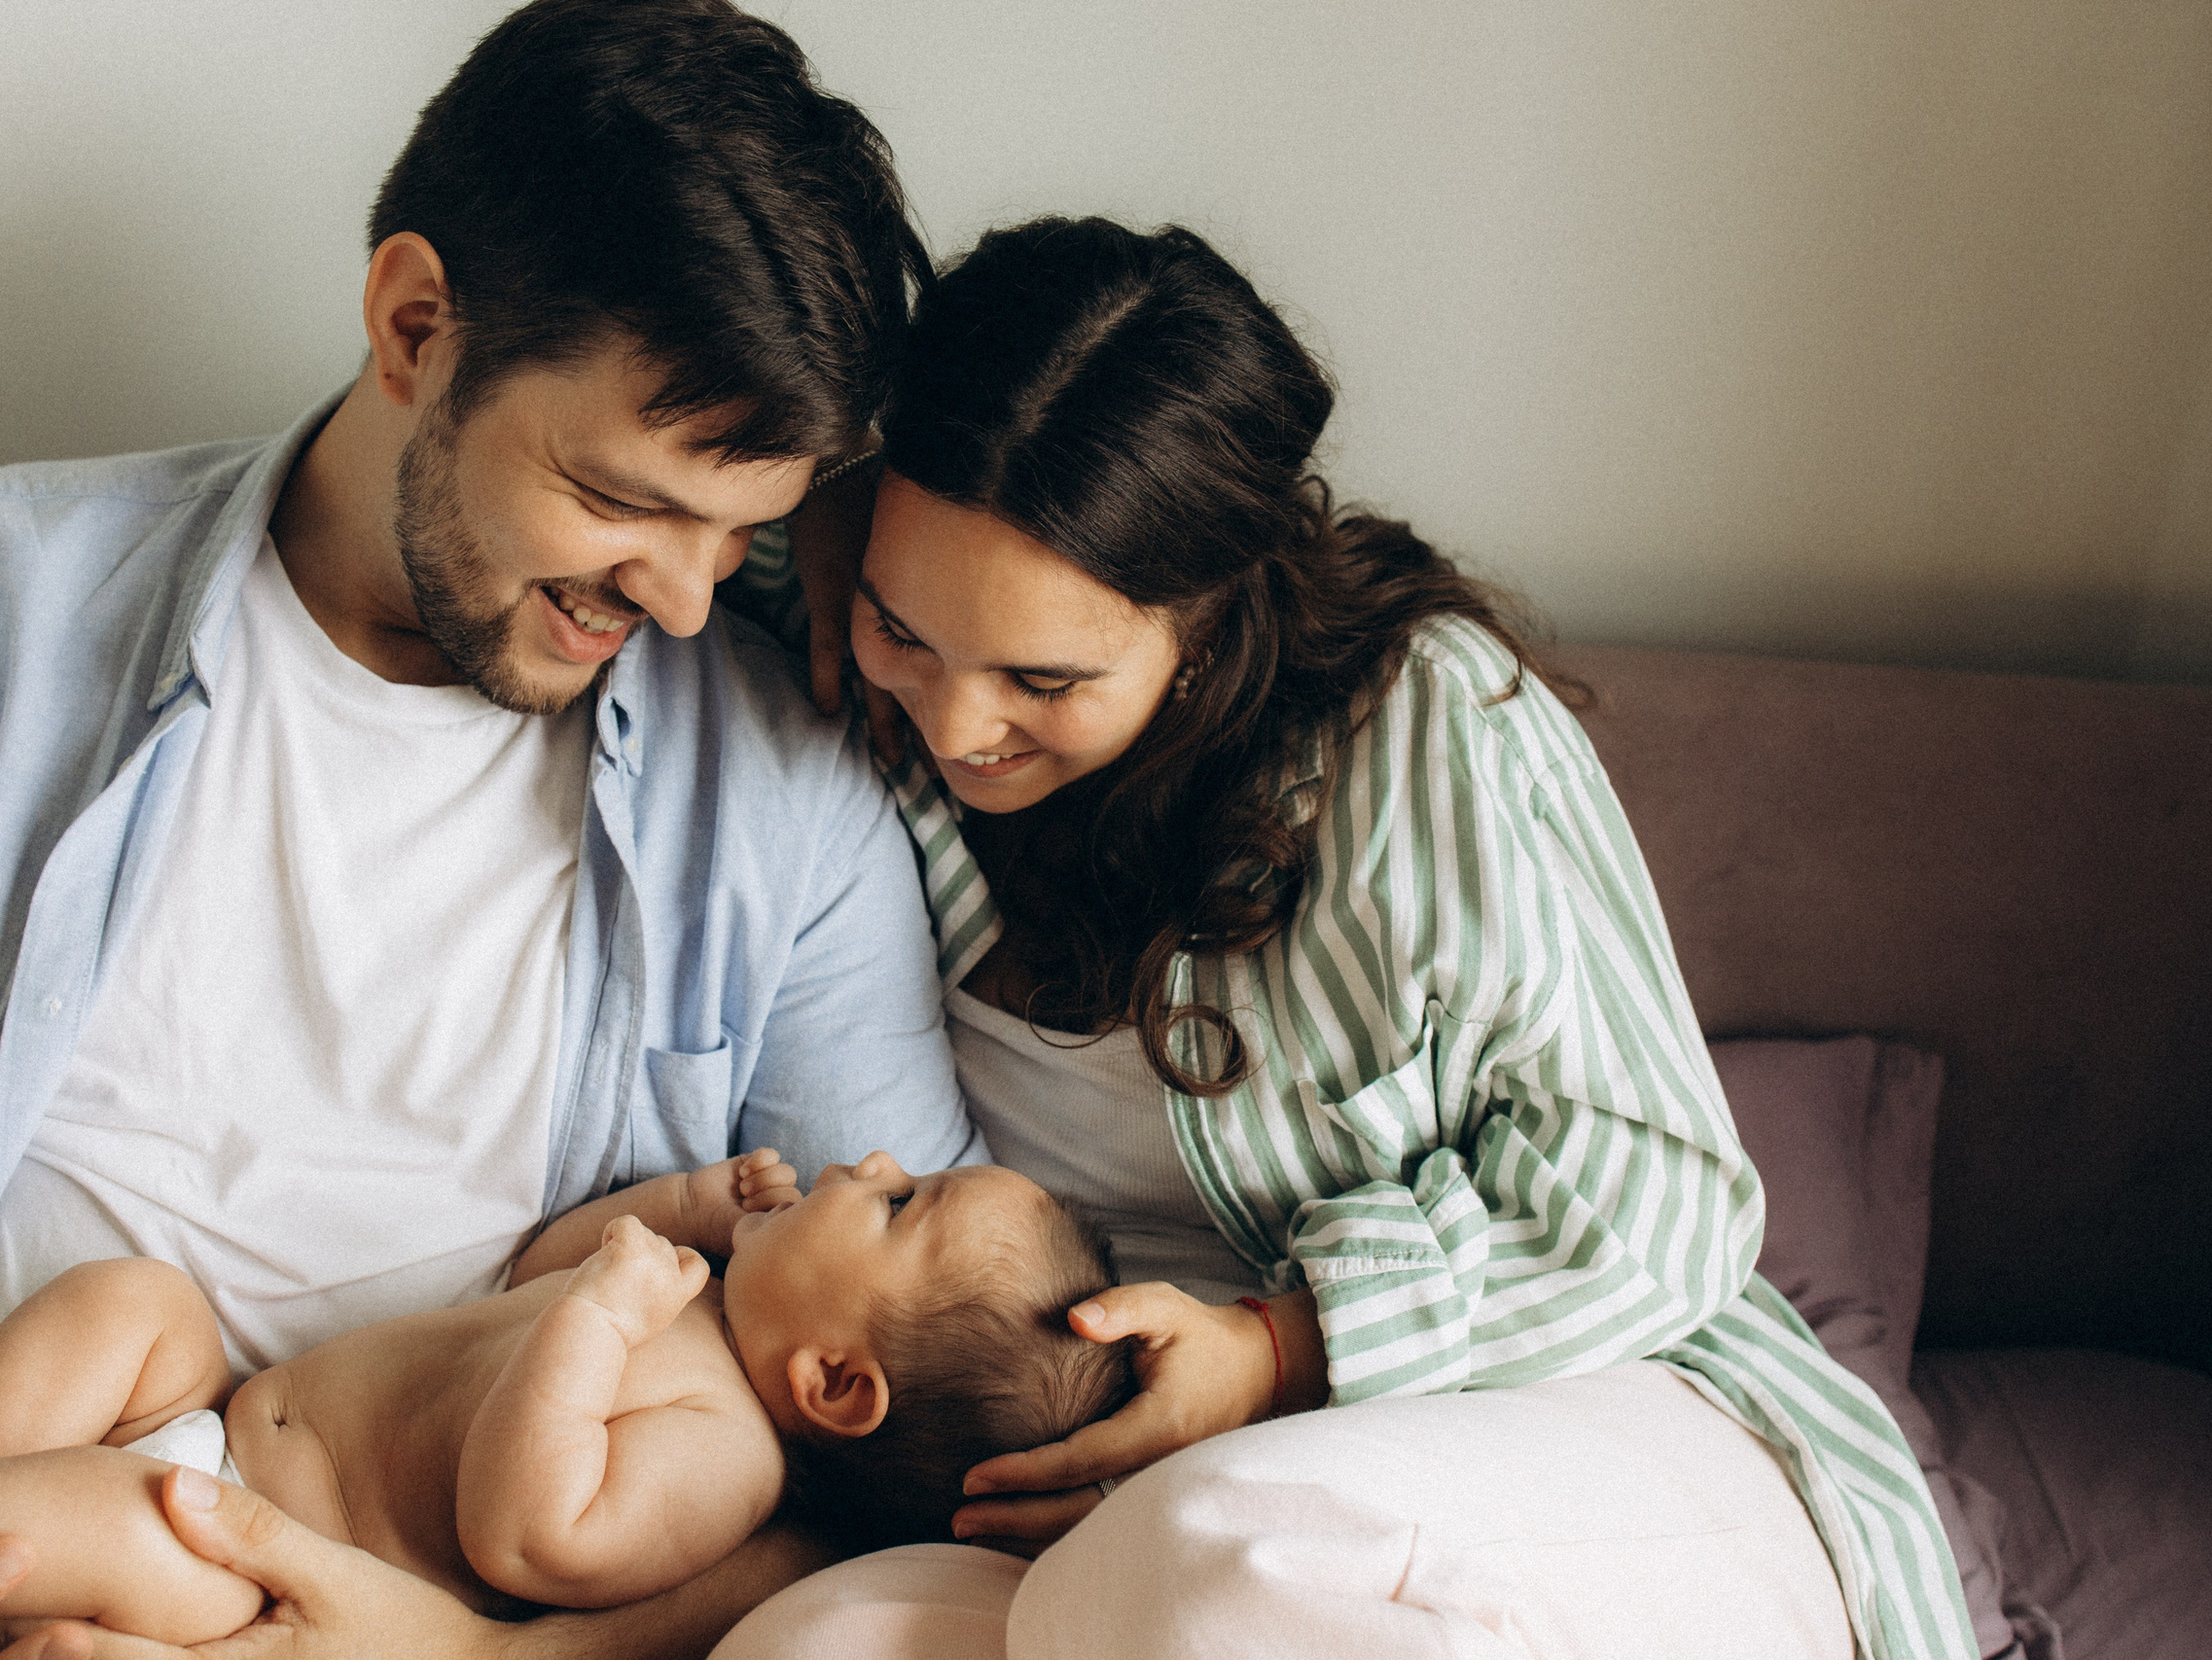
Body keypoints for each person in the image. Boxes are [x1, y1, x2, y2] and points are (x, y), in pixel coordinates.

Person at [0, 4, 982, 1656]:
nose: (684, 602)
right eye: (622, 502)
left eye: (742, 528)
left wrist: (479, 1657)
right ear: (414, 325)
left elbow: (890, 1440)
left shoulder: (790, 805)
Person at [722, 216, 1980, 1659]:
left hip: (1543, 1398)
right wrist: (820, 509)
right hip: (1117, 1480)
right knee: (810, 1645)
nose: (951, 726)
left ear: (1204, 624)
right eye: (906, 633)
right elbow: (666, 474)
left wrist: (1279, 1349)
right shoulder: (848, 637)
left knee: (1235, 1573)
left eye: (1040, 677)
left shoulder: (1419, 729)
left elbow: (1667, 1198)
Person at [0, 1151, 1135, 1640]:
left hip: (251, 1566)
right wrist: (681, 1209)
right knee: (133, 1300)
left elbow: (534, 1532)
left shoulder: (723, 1464)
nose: (860, 1164)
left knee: (142, 1514)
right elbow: (530, 1263)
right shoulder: (688, 1287)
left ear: (834, 1384)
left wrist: (599, 1321)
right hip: (222, 1403)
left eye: (894, 1205)